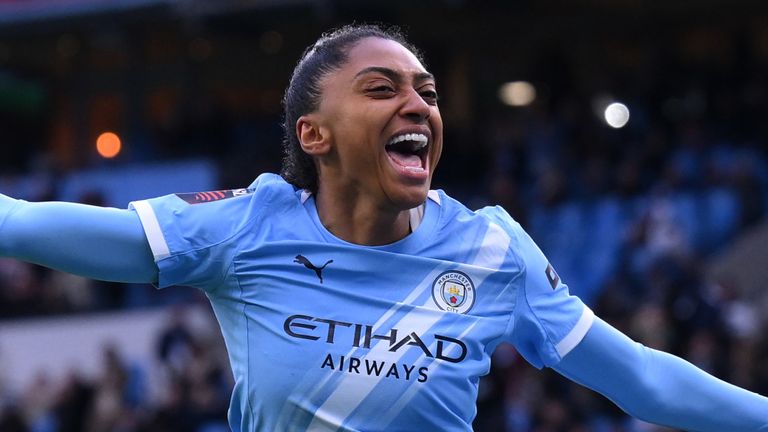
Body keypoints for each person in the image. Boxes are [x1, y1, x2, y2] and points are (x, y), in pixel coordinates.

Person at [0, 24, 767, 432]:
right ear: (314, 135)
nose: (419, 105)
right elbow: (26, 224)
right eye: (382, 88)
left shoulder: (491, 248)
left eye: (427, 92)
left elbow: (638, 376)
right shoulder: (246, 227)